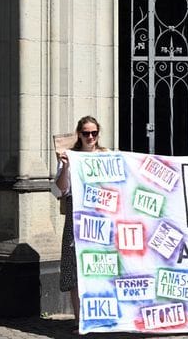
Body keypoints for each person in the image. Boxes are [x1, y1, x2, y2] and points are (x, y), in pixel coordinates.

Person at [53, 116, 108, 333]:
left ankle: (100, 316)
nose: (90, 137)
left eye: (94, 133)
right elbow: (59, 190)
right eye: (86, 133)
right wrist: (65, 167)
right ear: (79, 134)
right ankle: (80, 319)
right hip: (77, 216)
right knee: (75, 267)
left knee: (100, 266)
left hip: (101, 216)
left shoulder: (105, 155)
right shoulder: (70, 157)